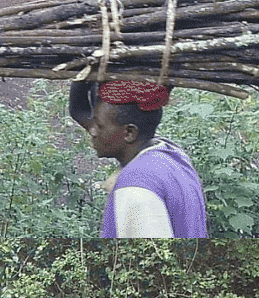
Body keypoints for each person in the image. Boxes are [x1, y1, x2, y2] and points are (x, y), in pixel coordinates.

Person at [69, 79, 207, 238]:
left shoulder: (136, 186)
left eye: (99, 126)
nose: (92, 131)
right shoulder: (173, 157)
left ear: (129, 133)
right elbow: (77, 110)